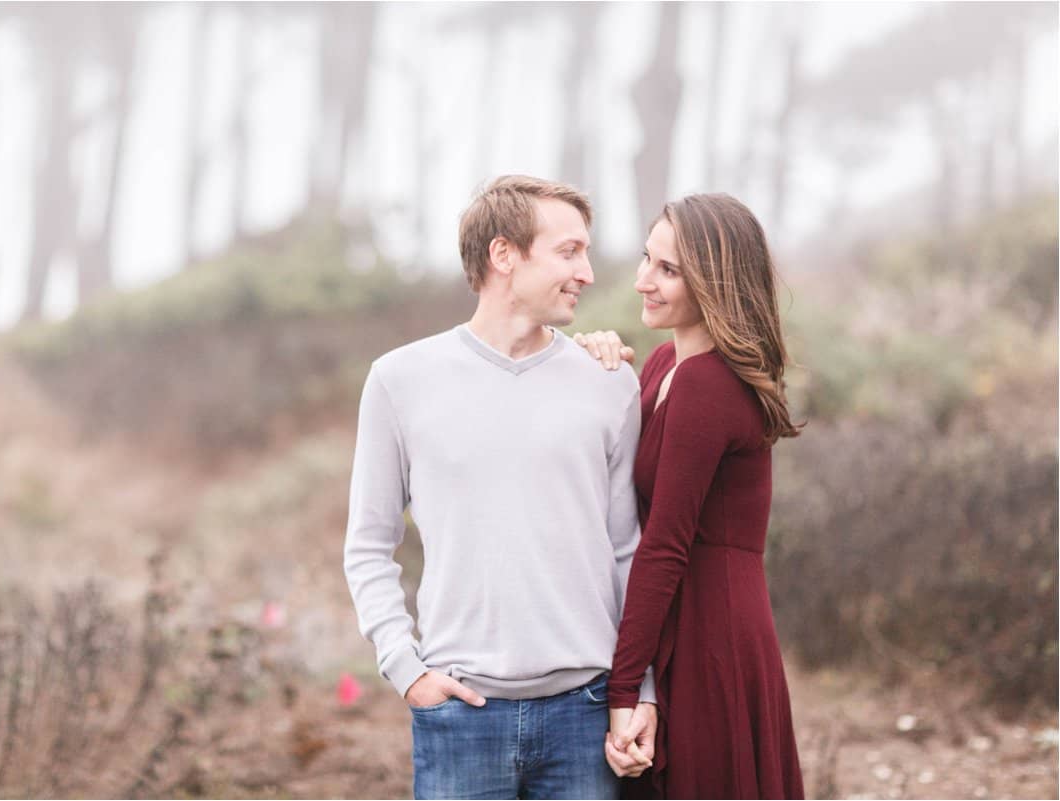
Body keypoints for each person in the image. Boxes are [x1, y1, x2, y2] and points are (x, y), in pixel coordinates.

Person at [343, 175, 658, 799]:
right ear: (504, 254)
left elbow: (629, 550)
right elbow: (368, 546)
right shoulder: (399, 380)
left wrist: (638, 691)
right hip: (460, 715)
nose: (588, 273)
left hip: (587, 714)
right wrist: (407, 671)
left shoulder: (608, 381)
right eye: (568, 251)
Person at [575, 193, 805, 798]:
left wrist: (625, 692)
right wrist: (583, 363)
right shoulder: (658, 365)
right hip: (674, 612)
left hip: (712, 629)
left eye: (667, 270)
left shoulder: (709, 382)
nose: (642, 281)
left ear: (714, 281)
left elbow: (666, 543)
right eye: (647, 259)